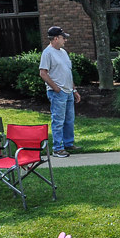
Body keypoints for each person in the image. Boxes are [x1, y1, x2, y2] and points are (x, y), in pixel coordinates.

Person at [39, 26, 81, 158]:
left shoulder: (63, 52)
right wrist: (56, 88)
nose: (65, 40)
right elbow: (43, 73)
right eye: (63, 38)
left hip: (68, 91)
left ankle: (68, 143)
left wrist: (74, 90)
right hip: (57, 93)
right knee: (58, 121)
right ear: (56, 38)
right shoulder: (47, 53)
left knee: (69, 120)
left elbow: (67, 73)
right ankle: (57, 149)